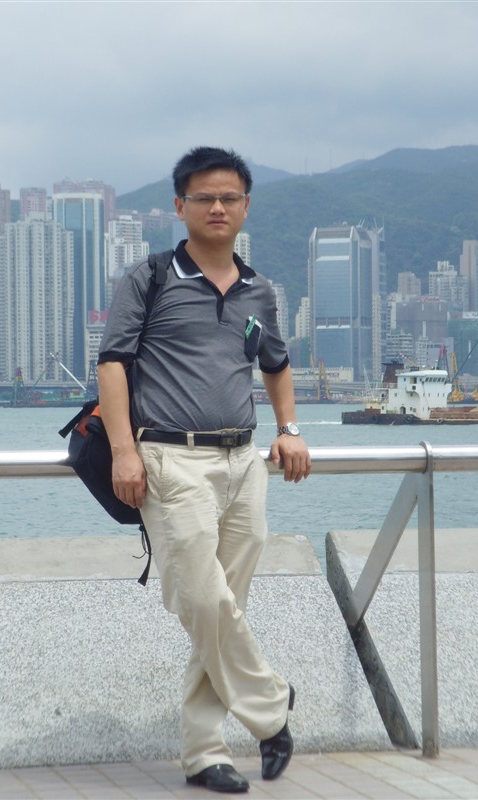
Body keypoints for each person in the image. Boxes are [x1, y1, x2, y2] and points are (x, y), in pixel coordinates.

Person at [98, 146, 311, 794]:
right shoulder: (150, 278)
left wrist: (289, 430)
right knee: (203, 599)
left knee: (223, 611)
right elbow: (112, 363)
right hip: (171, 459)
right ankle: (271, 705)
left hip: (244, 462)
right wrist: (123, 450)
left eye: (229, 197)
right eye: (204, 198)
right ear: (180, 206)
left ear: (245, 206)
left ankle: (203, 754)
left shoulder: (259, 291)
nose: (217, 207)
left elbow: (275, 365)